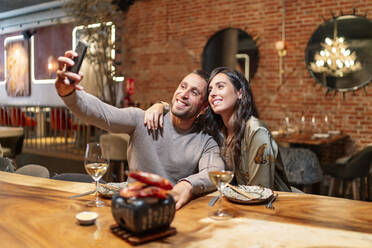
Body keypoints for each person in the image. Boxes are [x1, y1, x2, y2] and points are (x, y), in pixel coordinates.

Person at [55, 50, 225, 209]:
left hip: (171, 211)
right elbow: (102, 113)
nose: (183, 94)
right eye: (182, 86)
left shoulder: (205, 140)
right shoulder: (143, 119)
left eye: (194, 92)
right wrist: (69, 94)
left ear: (203, 106)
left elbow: (213, 171)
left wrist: (188, 185)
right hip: (130, 206)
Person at [145, 67, 291, 191]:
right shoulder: (215, 128)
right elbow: (182, 114)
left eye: (220, 86)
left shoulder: (256, 131)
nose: (213, 93)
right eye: (210, 90)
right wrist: (161, 106)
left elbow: (261, 191)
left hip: (274, 208)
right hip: (239, 203)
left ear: (239, 92)